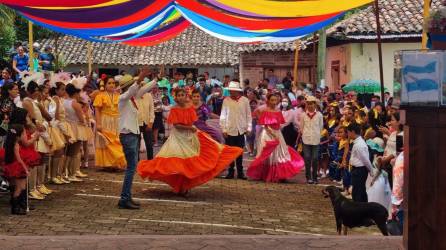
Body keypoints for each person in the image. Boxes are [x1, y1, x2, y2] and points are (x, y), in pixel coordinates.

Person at [137, 88, 243, 194]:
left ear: (186, 96)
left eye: (183, 95)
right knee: (178, 162)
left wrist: (193, 128)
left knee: (196, 158)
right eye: (179, 95)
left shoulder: (190, 108)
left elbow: (193, 121)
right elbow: (177, 126)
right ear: (176, 97)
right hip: (178, 138)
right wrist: (190, 128)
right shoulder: (174, 109)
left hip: (190, 136)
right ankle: (181, 186)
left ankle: (184, 186)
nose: (181, 97)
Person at [117, 70, 156, 209]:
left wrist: (156, 78)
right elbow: (134, 90)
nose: (137, 86)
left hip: (131, 134)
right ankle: (124, 198)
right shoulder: (123, 98)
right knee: (131, 168)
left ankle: (126, 196)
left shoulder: (131, 98)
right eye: (133, 84)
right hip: (128, 135)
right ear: (129, 86)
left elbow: (145, 88)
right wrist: (140, 78)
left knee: (131, 167)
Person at [247, 93, 304, 182]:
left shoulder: (278, 111)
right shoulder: (265, 111)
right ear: (268, 101)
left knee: (280, 154)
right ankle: (266, 174)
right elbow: (265, 125)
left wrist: (277, 134)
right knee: (268, 154)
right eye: (272, 100)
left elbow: (280, 124)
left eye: (275, 100)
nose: (274, 102)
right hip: (267, 134)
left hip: (277, 134)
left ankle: (279, 174)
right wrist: (273, 134)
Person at [2, 124, 41, 215]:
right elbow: (19, 159)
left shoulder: (10, 144)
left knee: (18, 187)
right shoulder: (16, 145)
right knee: (20, 188)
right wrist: (25, 168)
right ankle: (15, 207)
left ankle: (17, 205)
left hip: (13, 166)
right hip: (18, 167)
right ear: (19, 135)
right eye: (23, 133)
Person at [220, 81, 252, 179]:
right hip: (230, 129)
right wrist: (224, 129)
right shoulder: (226, 100)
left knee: (239, 152)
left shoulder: (245, 100)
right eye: (230, 90)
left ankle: (240, 172)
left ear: (237, 91)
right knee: (230, 152)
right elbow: (223, 116)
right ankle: (230, 171)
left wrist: (249, 127)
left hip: (241, 130)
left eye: (232, 90)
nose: (230, 92)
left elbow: (248, 115)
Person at [93, 76, 127, 170]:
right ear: (105, 85)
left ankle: (116, 163)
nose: (112, 85)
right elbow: (97, 110)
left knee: (116, 141)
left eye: (113, 83)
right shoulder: (100, 96)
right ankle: (107, 164)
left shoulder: (119, 95)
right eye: (109, 83)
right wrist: (98, 123)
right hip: (105, 120)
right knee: (106, 142)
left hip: (116, 121)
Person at [347, 122, 374, 202]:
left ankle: (359, 209)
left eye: (348, 132)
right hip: (357, 170)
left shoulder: (360, 145)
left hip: (360, 170)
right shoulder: (357, 142)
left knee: (358, 192)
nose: (348, 134)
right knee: (359, 191)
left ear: (353, 132)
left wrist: (371, 170)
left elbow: (365, 160)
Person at [299, 96, 323, 184]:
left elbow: (321, 127)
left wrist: (316, 134)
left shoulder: (319, 115)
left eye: (311, 104)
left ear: (315, 104)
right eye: (308, 104)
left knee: (315, 158)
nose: (310, 106)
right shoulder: (303, 115)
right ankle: (308, 177)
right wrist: (305, 134)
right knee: (307, 158)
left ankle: (315, 177)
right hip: (306, 139)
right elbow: (301, 127)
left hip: (316, 139)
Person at [137, 84, 155, 160]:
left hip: (147, 122)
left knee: (149, 144)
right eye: (140, 85)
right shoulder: (133, 96)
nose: (142, 86)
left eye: (143, 85)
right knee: (136, 145)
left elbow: (152, 110)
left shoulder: (149, 95)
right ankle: (136, 163)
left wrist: (151, 122)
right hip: (136, 123)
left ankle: (150, 162)